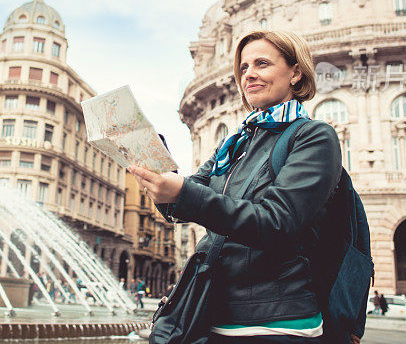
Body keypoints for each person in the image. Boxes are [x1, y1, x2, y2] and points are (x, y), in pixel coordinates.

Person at [130, 30, 349, 343]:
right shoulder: (236, 142)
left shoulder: (313, 137)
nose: (250, 75)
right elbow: (188, 198)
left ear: (296, 73)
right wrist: (157, 176)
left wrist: (183, 193)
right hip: (215, 310)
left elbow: (276, 222)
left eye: (261, 64)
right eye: (244, 68)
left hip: (275, 320)